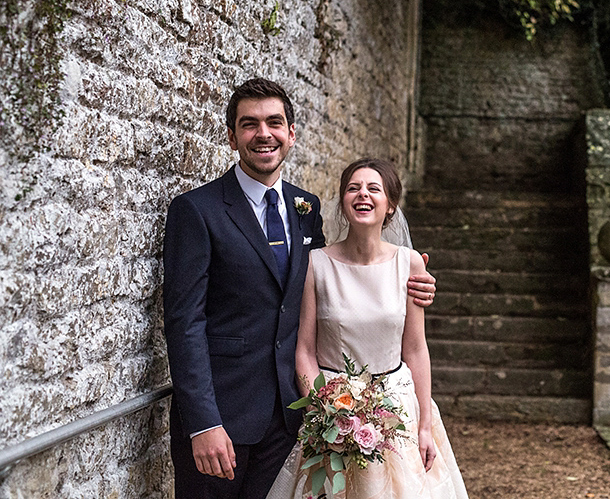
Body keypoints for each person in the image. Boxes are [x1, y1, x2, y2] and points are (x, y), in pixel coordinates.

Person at [163, 79, 437, 499]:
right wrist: (203, 423)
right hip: (223, 420)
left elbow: (333, 292)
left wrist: (410, 283)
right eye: (249, 124)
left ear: (291, 135)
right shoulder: (196, 210)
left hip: (293, 423)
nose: (263, 133)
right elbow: (184, 323)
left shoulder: (303, 208)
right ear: (232, 136)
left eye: (274, 122)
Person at [267, 158, 469, 499]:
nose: (363, 194)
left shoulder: (410, 263)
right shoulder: (317, 263)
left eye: (374, 188)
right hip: (333, 408)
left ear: (390, 205)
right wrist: (322, 414)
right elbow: (304, 349)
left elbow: (416, 349)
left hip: (397, 410)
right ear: (343, 204)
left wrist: (423, 426)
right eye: (353, 188)